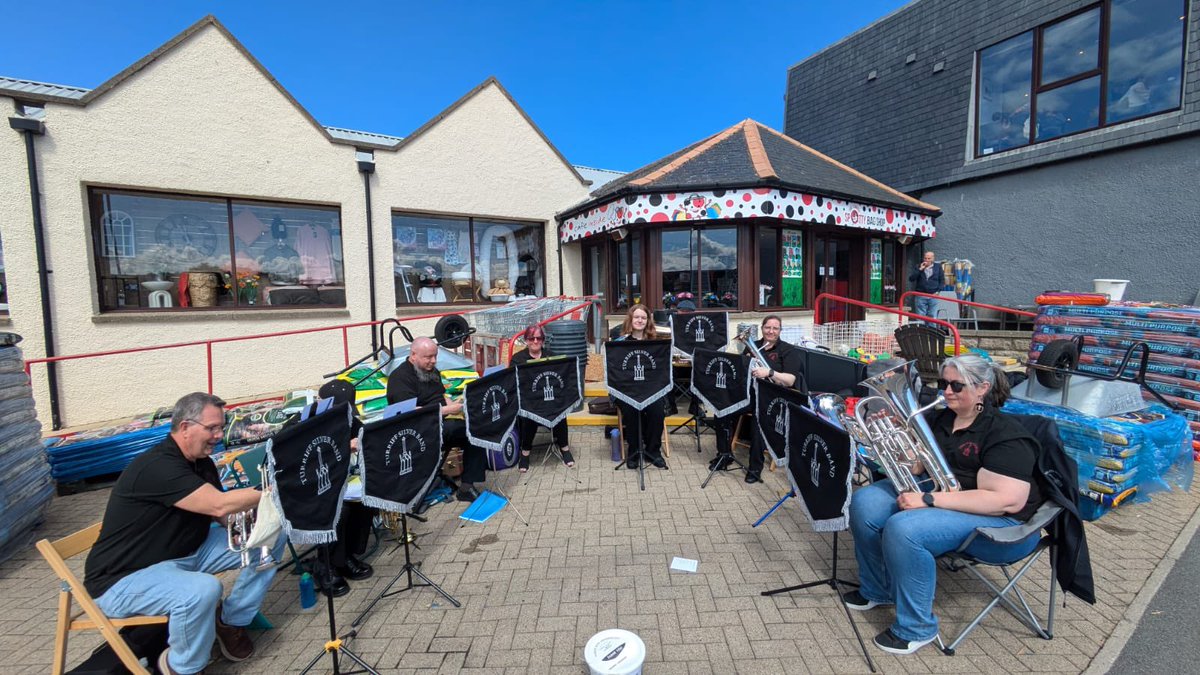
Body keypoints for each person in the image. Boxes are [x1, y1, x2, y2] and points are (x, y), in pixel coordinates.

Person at [846, 354, 1043, 655]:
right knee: (865, 502)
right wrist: (884, 437)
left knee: (905, 528)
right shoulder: (941, 419)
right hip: (950, 499)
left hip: (1002, 526)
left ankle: (916, 628)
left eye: (956, 386)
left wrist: (927, 499)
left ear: (982, 389)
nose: (946, 391)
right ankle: (878, 589)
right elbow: (919, 467)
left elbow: (1005, 500)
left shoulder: (1005, 435)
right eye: (943, 384)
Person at [84, 392, 288, 675]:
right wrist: (274, 490)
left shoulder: (200, 461)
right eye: (212, 428)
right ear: (185, 428)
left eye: (221, 427)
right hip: (124, 577)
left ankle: (231, 622)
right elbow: (219, 503)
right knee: (203, 589)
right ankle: (179, 668)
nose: (219, 435)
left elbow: (219, 514)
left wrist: (251, 527)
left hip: (186, 553)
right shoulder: (158, 466)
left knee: (272, 536)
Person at [288, 379, 375, 598]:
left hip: (333, 481)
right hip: (303, 486)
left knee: (363, 499)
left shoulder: (345, 415)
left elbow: (362, 432)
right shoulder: (301, 421)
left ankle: (345, 556)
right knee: (340, 510)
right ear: (322, 402)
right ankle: (325, 565)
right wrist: (346, 447)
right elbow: (294, 459)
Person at [386, 337, 488, 502]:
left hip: (439, 422)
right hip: (417, 431)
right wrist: (448, 409)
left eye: (435, 356)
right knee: (467, 430)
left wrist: (457, 405)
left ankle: (467, 486)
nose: (433, 361)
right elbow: (410, 412)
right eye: (428, 357)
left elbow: (440, 395)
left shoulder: (431, 370)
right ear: (413, 355)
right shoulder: (400, 378)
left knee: (476, 428)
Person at [710, 315, 804, 483]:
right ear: (762, 328)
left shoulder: (788, 350)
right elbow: (740, 371)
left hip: (773, 399)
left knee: (758, 423)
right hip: (751, 394)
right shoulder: (753, 347)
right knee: (721, 412)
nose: (771, 331)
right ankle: (724, 456)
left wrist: (769, 373)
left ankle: (755, 468)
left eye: (775, 328)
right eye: (768, 327)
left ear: (780, 331)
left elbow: (790, 380)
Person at [509, 324, 575, 470]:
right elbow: (513, 383)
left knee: (561, 412)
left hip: (549, 398)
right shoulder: (517, 359)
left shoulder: (551, 356)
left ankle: (565, 449)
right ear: (526, 340)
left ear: (543, 340)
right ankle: (525, 453)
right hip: (529, 401)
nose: (535, 341)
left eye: (539, 338)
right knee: (531, 416)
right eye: (532, 338)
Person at [613, 304, 667, 469]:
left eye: (643, 318)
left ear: (647, 321)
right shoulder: (620, 343)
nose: (640, 320)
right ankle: (634, 452)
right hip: (627, 390)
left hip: (651, 390)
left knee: (657, 410)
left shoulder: (655, 344)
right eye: (636, 317)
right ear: (631, 319)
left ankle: (653, 451)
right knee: (630, 410)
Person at [907, 251, 942, 321]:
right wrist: (920, 269)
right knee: (920, 316)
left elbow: (942, 280)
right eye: (925, 258)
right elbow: (911, 278)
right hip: (921, 295)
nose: (927, 260)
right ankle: (921, 331)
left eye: (929, 258)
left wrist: (938, 291)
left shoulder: (938, 267)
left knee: (932, 316)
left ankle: (931, 331)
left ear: (933, 259)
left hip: (933, 295)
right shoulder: (919, 266)